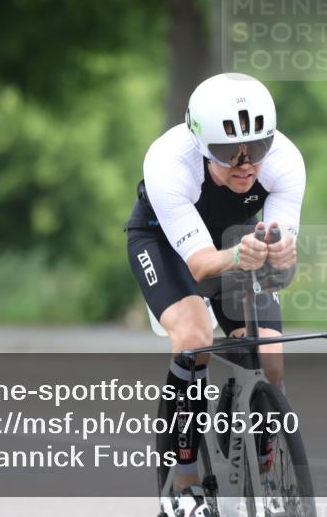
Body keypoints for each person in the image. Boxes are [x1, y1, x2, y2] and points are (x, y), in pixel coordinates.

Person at [125, 72, 304, 517]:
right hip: (164, 244)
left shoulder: (285, 161)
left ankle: (266, 467)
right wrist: (244, 255)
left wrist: (282, 257)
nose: (245, 165)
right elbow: (202, 266)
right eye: (229, 155)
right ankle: (183, 482)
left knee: (270, 351)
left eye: (256, 150)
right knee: (193, 338)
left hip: (235, 242)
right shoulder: (170, 161)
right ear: (203, 146)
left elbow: (281, 270)